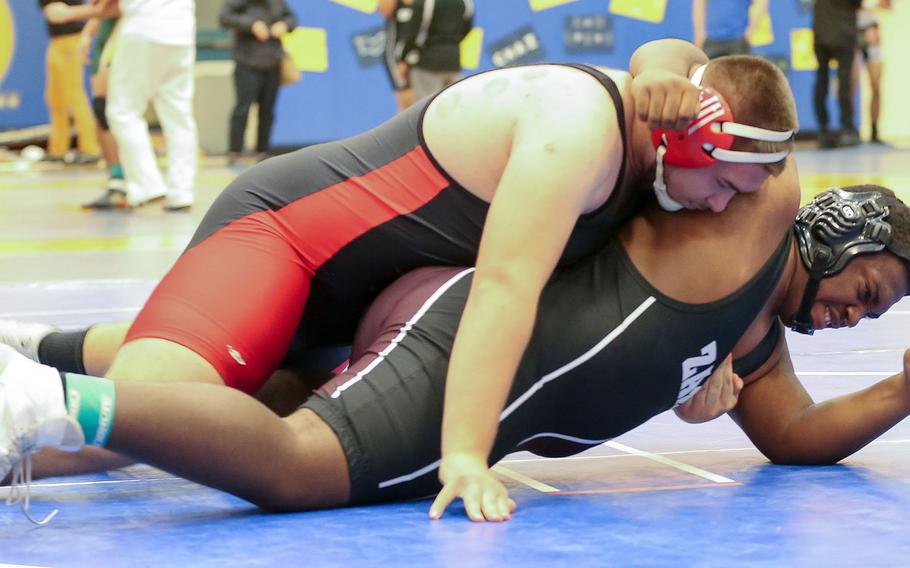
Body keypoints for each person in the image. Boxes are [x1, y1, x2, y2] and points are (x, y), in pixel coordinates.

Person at [2, 43, 797, 490]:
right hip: (282, 243)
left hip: (344, 304)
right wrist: (462, 451)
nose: (721, 208)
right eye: (723, 184)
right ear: (689, 139)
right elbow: (504, 290)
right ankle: (27, 396)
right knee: (132, 426)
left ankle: (37, 347)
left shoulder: (668, 129)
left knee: (249, 403)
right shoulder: (576, 132)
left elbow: (685, 60)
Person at [3, 182, 909, 525]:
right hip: (472, 347)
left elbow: (797, 437)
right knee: (292, 467)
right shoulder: (754, 219)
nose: (852, 320)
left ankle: (34, 360)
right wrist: (666, 68)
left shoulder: (758, 337)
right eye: (865, 293)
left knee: (257, 388)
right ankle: (45, 408)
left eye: (875, 319)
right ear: (834, 233)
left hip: (444, 310)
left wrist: (903, 389)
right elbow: (716, 91)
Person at [88, 0, 199, 210]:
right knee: (179, 115)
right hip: (182, 31)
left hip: (143, 29)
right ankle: (182, 193)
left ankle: (148, 185)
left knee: (122, 110)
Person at [220, 0, 297, 167]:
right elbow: (224, 17)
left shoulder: (276, 2)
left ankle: (263, 152)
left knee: (267, 111)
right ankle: (234, 152)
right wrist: (251, 25)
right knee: (242, 109)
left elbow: (292, 18)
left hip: (272, 63)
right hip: (247, 63)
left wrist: (284, 24)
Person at [36, 1, 102, 165]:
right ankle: (58, 150)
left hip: (71, 40)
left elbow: (57, 14)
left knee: (74, 95)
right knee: (54, 97)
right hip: (57, 41)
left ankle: (90, 148)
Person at [79, 15, 130, 208]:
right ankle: (116, 178)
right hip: (106, 40)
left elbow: (111, 7)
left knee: (110, 110)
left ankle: (123, 180)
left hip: (121, 40)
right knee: (102, 112)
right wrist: (87, 33)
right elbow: (101, 9)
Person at [388, 0, 474, 101]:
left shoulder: (425, 2)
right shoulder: (466, 2)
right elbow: (467, 29)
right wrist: (449, 45)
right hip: (453, 62)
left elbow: (412, 33)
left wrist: (403, 58)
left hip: (426, 64)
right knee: (452, 108)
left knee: (426, 108)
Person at [813, 0, 863, 149]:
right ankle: (847, 128)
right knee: (844, 81)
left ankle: (823, 129)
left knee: (822, 80)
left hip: (821, 31)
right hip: (843, 32)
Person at [854, 0, 891, 144]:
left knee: (876, 87)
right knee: (851, 85)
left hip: (873, 38)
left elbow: (887, 5)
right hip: (853, 34)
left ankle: (874, 130)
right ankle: (850, 128)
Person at [692, 0, 768, 58]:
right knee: (709, 76)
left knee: (738, 77)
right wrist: (699, 33)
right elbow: (699, 3)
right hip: (711, 39)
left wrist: (750, 31)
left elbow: (761, 3)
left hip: (738, 39)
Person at [379, 0, 416, 113]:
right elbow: (384, 10)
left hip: (420, 54)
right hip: (397, 57)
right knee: (408, 103)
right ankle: (402, 131)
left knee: (424, 101)